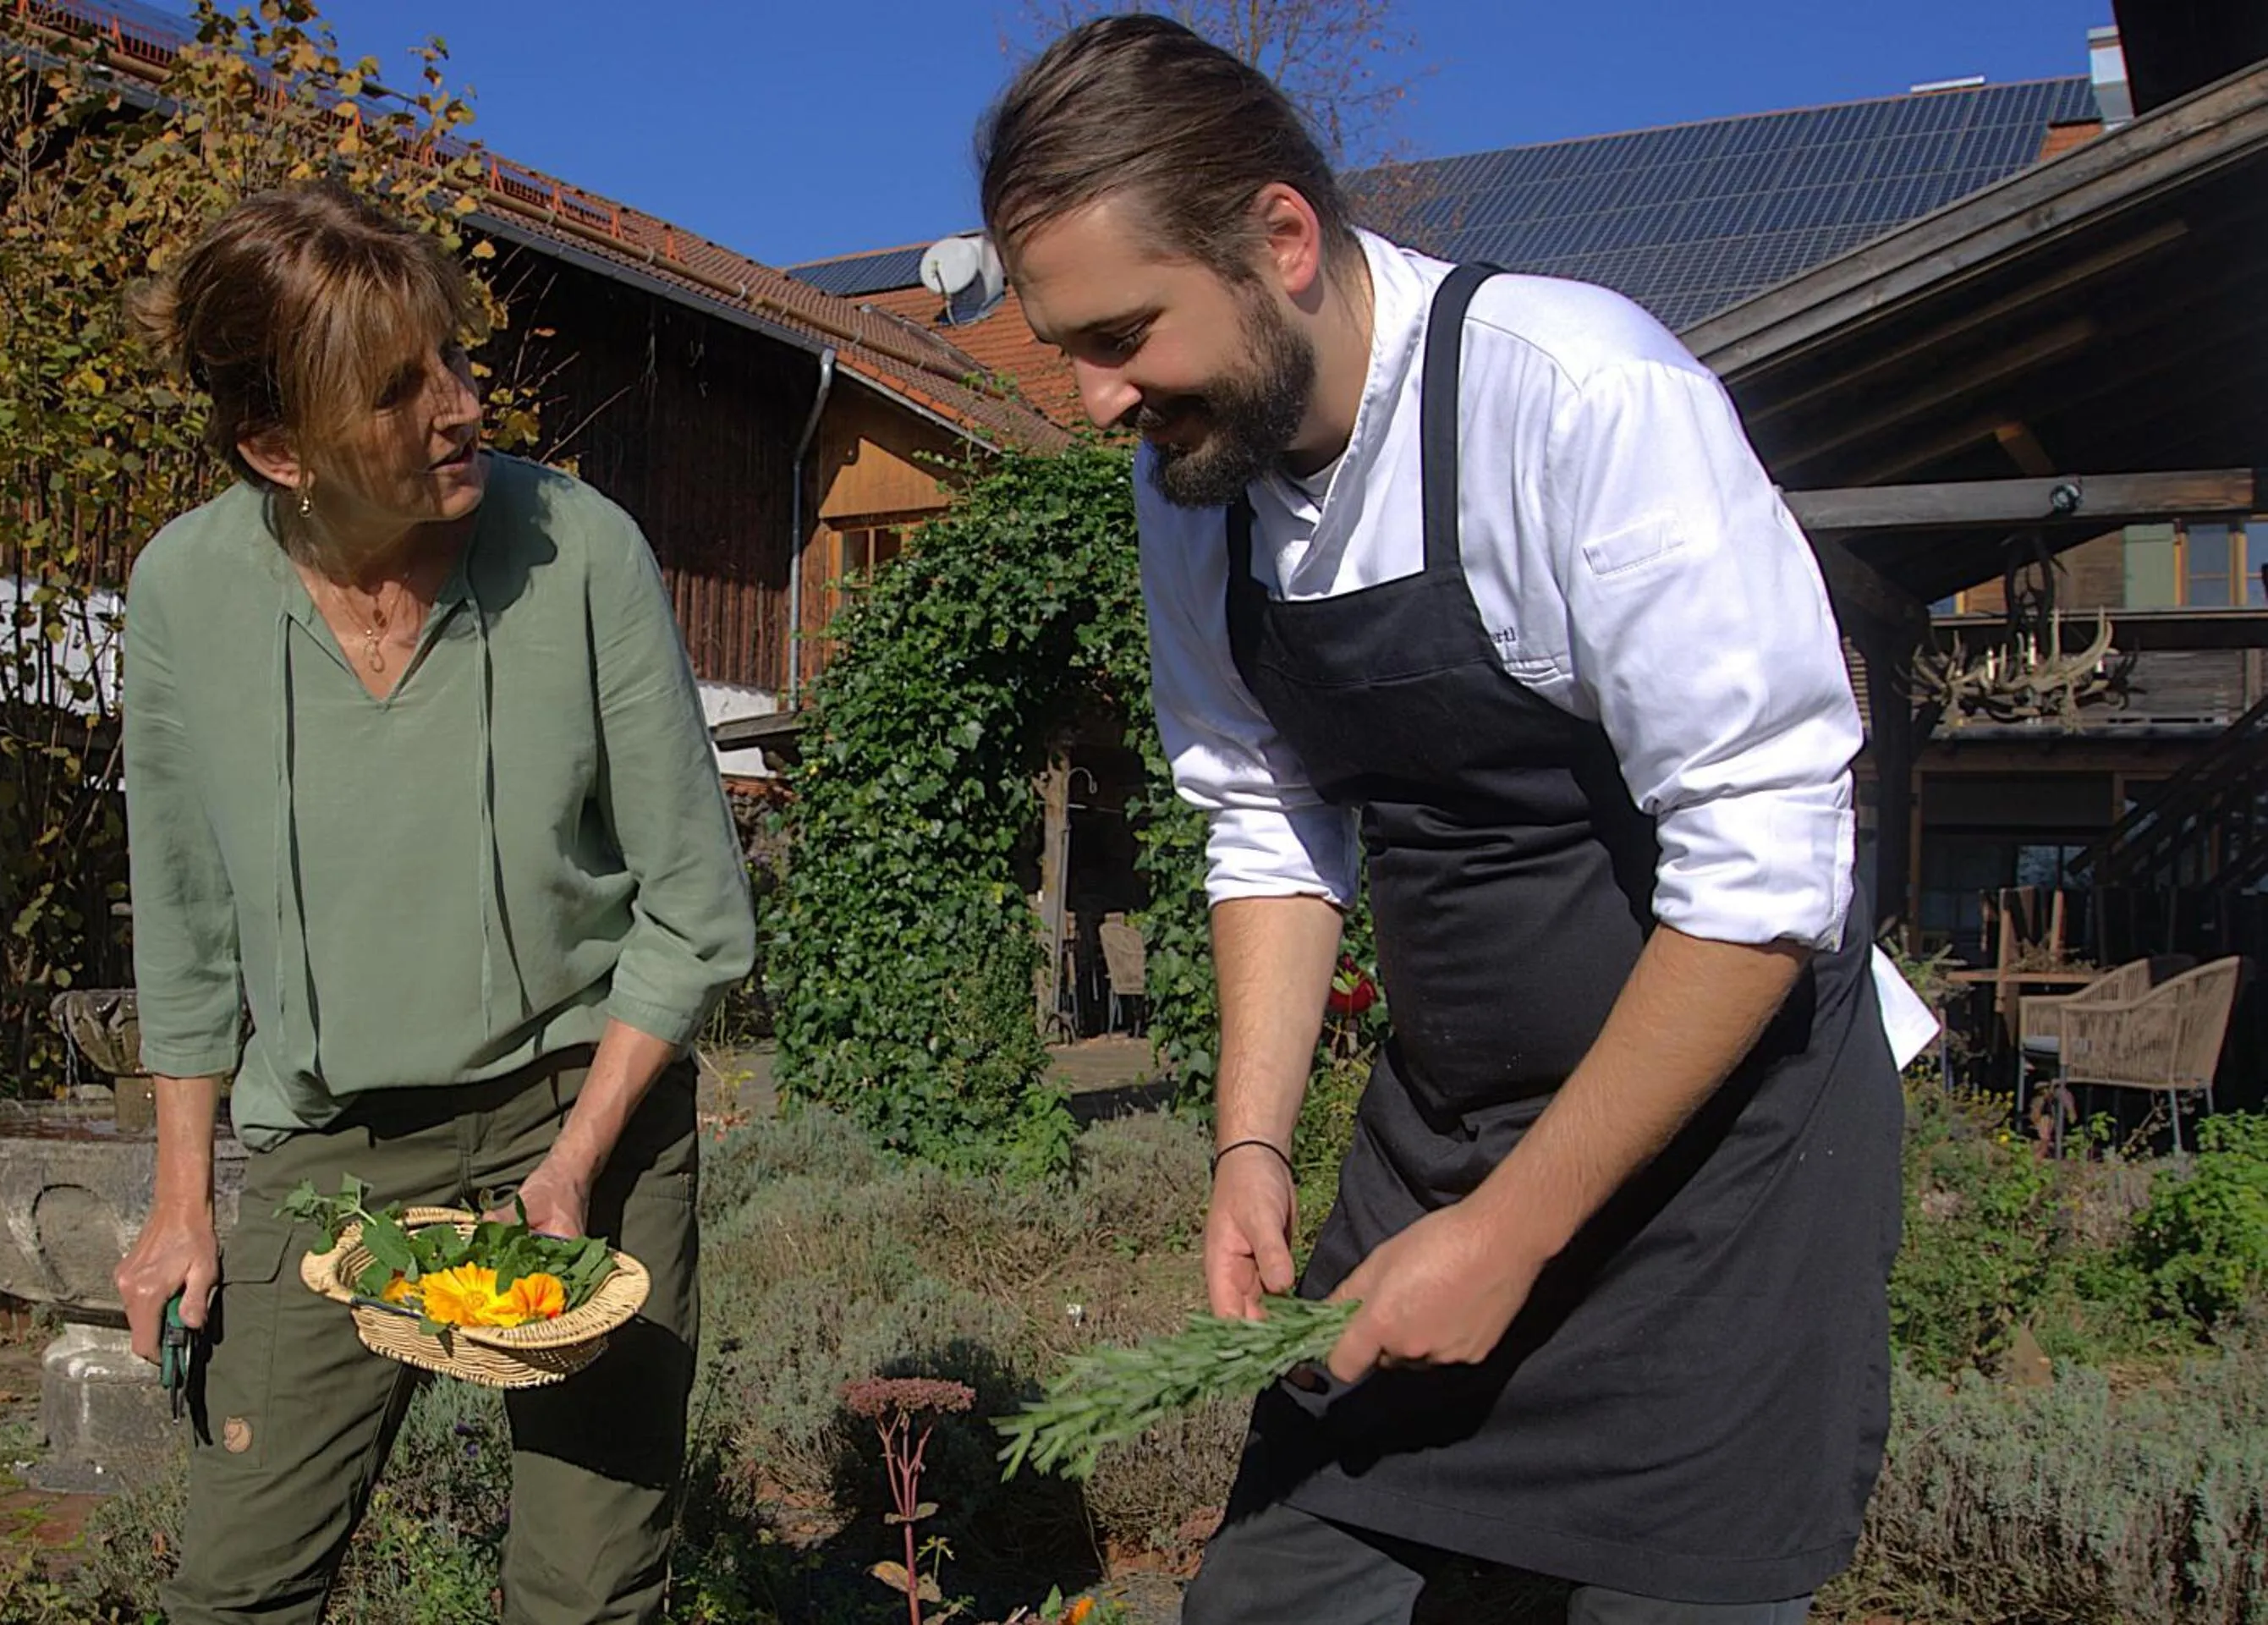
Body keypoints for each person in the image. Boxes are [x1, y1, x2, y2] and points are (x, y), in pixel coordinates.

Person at [978, 19, 1939, 1624]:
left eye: (1125, 333)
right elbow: (1268, 819)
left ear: (1281, 239)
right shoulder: (1189, 485)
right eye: (1070, 346)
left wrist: (1515, 1232)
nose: (1092, 401)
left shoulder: (1578, 395)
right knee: (1277, 1595)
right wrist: (1250, 1144)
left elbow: (1768, 868)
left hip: (1731, 1159)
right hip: (1449, 1133)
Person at [110, 181, 755, 1625]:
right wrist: (178, 1207)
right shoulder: (183, 595)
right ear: (279, 448)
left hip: (587, 1113)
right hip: (328, 1148)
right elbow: (189, 930)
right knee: (236, 1587)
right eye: (399, 392)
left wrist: (582, 1156)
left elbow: (696, 910)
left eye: (454, 360)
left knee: (585, 1594)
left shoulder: (580, 549)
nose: (462, 406)